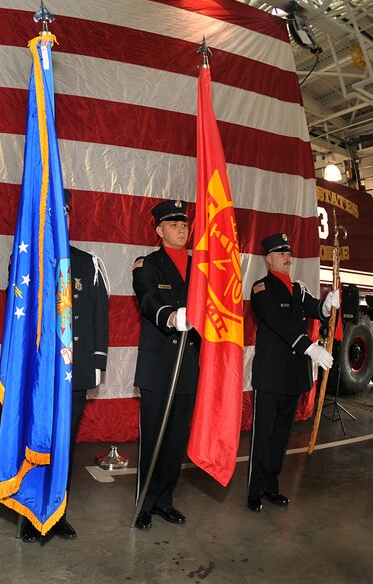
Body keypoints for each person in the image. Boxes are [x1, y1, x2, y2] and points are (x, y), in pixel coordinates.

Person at [21, 190, 110, 542]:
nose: (61, 218)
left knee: (65, 444)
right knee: (35, 442)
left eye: (65, 212)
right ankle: (31, 513)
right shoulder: (28, 260)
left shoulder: (89, 264)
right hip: (39, 373)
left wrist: (97, 361)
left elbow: (99, 316)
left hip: (74, 372)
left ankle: (58, 511)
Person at [247, 233, 337, 512]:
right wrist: (311, 349)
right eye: (281, 254)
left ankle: (271, 487)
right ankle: (254, 491)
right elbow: (279, 324)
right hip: (271, 376)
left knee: (280, 436)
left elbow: (316, 310)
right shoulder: (261, 289)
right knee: (263, 435)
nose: (288, 258)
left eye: (289, 253)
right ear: (269, 259)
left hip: (292, 377)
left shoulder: (298, 289)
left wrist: (327, 303)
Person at [131, 199, 200, 530]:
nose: (181, 229)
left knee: (175, 441)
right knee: (154, 439)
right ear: (159, 230)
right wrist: (171, 316)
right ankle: (143, 502)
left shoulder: (200, 266)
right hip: (159, 367)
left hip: (187, 365)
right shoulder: (147, 264)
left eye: (184, 224)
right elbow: (147, 298)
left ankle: (164, 501)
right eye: (174, 225)